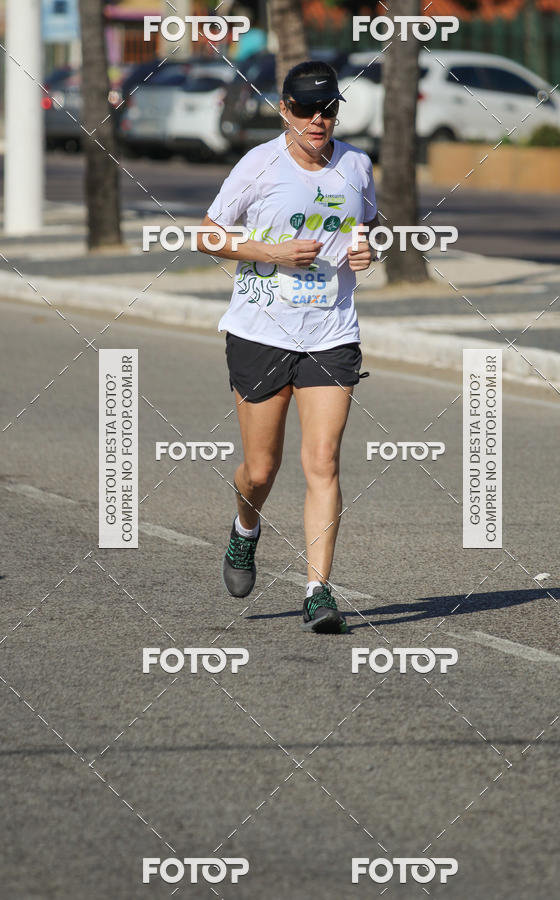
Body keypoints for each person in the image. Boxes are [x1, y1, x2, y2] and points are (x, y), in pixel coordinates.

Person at [198, 60, 379, 633]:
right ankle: (244, 531)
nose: (317, 121)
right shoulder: (259, 165)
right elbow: (206, 235)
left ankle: (318, 590)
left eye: (327, 110)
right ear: (285, 110)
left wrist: (367, 251)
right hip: (261, 331)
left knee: (322, 461)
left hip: (331, 333)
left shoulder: (357, 165)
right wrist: (271, 253)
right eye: (305, 110)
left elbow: (369, 227)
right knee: (260, 468)